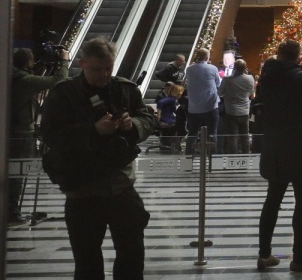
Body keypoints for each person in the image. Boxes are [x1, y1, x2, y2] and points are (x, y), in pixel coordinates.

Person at [41, 37, 158, 279]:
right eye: (97, 69)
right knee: (87, 261)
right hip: (82, 190)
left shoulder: (124, 89)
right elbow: (50, 135)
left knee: (132, 255)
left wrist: (131, 125)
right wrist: (93, 131)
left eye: (108, 68)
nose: (104, 74)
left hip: (121, 186)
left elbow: (147, 119)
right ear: (82, 64)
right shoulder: (64, 93)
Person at [255, 39, 302, 272]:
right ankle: (299, 257)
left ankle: (264, 254)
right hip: (300, 148)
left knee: (272, 201)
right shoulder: (298, 76)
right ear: (297, 56)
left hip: (275, 146)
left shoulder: (266, 76)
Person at [9, 46, 70, 221]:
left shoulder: (12, 77)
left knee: (12, 172)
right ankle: (12, 213)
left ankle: (9, 210)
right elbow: (59, 80)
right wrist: (64, 60)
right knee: (18, 173)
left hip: (12, 130)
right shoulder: (25, 80)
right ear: (29, 61)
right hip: (20, 133)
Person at [183, 48, 221, 154]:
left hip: (194, 108)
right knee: (212, 133)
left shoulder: (189, 69)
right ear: (206, 57)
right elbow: (218, 83)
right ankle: (212, 159)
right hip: (210, 107)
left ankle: (189, 158)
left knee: (192, 134)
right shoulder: (212, 68)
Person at [218, 58, 255, 154]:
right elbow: (251, 92)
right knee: (245, 136)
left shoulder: (227, 79)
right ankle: (246, 157)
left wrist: (228, 95)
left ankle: (233, 158)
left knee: (232, 136)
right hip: (245, 111)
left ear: (234, 67)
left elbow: (219, 92)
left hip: (231, 111)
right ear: (245, 68)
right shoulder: (250, 78)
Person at [156, 83, 183, 151]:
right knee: (182, 126)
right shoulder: (172, 99)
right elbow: (160, 103)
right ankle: (175, 143)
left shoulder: (171, 99)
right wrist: (159, 115)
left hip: (168, 118)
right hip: (167, 120)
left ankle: (169, 142)